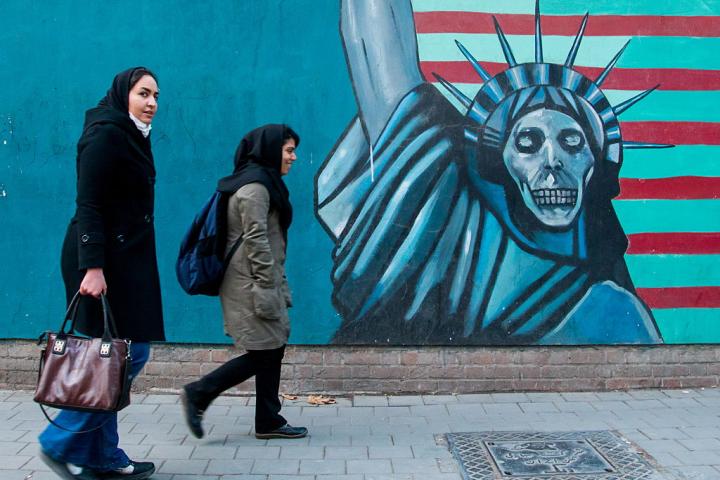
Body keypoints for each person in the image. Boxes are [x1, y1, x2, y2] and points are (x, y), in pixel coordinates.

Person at [38, 67, 164, 480]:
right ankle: (60, 441)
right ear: (123, 94)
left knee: (111, 358)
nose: (151, 103)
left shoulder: (131, 134)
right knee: (124, 355)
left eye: (156, 96)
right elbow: (88, 203)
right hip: (100, 261)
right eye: (143, 93)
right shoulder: (106, 134)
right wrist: (92, 267)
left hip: (123, 261)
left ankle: (104, 456)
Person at [180, 124, 307, 440]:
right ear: (270, 149)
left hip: (259, 280)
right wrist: (267, 285)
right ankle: (199, 392)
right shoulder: (255, 188)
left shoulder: (262, 183)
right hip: (250, 284)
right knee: (265, 352)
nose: (293, 157)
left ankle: (268, 419)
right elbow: (256, 241)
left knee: (273, 347)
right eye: (289, 150)